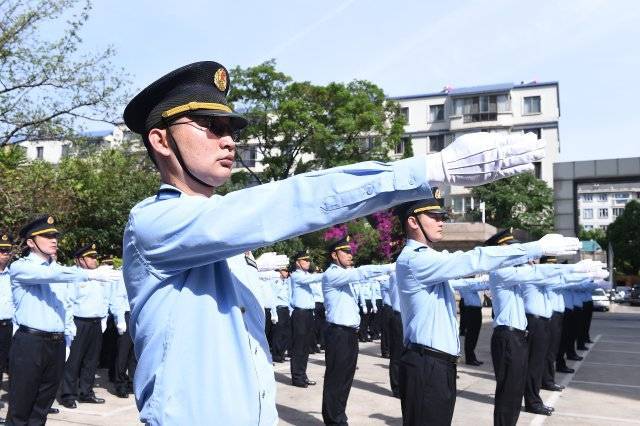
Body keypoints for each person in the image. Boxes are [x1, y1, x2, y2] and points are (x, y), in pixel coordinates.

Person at [120, 59, 546, 425]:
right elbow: (288, 201)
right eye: (211, 126)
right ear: (161, 139)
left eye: (231, 127)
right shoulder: (155, 221)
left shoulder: (225, 232)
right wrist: (425, 169)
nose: (229, 139)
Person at [393, 195, 581, 426]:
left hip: (437, 364)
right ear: (413, 222)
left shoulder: (428, 260)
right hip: (427, 363)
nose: (442, 221)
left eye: (442, 217)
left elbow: (467, 277)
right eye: (434, 217)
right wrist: (536, 248)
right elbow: (474, 259)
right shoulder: (414, 260)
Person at [7, 216, 118, 425]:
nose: (54, 240)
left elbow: (65, 305)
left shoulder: (58, 270)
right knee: (21, 407)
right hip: (30, 343)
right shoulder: (21, 267)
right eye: (47, 236)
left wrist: (68, 336)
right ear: (31, 242)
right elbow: (49, 275)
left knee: (42, 407)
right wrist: (90, 275)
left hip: (56, 343)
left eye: (55, 235)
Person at [321, 235, 393, 425]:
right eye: (346, 251)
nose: (350, 255)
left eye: (350, 251)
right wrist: (390, 266)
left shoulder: (342, 276)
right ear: (334, 255)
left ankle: (338, 416)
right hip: (338, 333)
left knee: (345, 378)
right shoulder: (332, 274)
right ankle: (333, 420)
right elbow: (362, 273)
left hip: (348, 334)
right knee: (336, 379)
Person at [60, 243, 125, 408]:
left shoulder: (102, 276)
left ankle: (86, 392)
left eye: (95, 256)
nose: (95, 260)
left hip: (96, 323)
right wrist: (68, 325)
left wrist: (110, 319)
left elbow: (110, 298)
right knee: (74, 360)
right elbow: (67, 302)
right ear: (80, 260)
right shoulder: (73, 276)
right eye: (91, 257)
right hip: (78, 322)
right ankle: (68, 394)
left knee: (92, 360)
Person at [289, 249, 323, 387]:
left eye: (309, 260)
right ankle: (297, 377)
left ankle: (303, 375)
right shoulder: (296, 276)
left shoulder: (306, 275)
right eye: (305, 260)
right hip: (300, 314)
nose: (308, 262)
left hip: (308, 314)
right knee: (298, 347)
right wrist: (328, 274)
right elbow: (313, 278)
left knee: (305, 347)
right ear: (297, 263)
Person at [0, 232, 15, 424]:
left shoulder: (13, 275)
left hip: (9, 327)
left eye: (7, 251)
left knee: (11, 369)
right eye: (1, 250)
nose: (5, 254)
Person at [457, 278, 489, 365]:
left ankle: (471, 357)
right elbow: (483, 286)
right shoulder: (468, 284)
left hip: (472, 310)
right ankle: (470, 358)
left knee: (472, 335)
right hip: (473, 311)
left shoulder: (465, 284)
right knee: (472, 335)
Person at [270, 267, 292, 363]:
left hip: (286, 309)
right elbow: (273, 298)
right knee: (278, 334)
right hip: (279, 309)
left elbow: (289, 297)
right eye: (285, 271)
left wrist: (290, 310)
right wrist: (274, 313)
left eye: (287, 271)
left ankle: (282, 354)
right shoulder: (276, 282)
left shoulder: (286, 282)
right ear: (280, 271)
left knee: (286, 334)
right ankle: (276, 355)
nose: (286, 273)